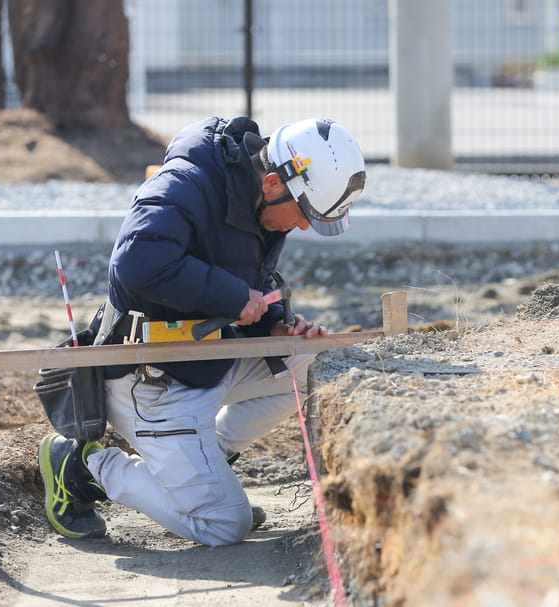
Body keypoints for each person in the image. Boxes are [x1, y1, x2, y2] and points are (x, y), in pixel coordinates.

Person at [36, 115, 366, 546]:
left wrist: (277, 322)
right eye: (303, 214)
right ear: (272, 183)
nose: (303, 226)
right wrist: (232, 297)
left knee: (311, 364)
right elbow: (134, 265)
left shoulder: (257, 203)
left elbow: (252, 277)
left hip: (205, 362)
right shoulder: (184, 186)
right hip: (152, 381)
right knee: (227, 525)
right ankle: (82, 468)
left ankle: (207, 466)